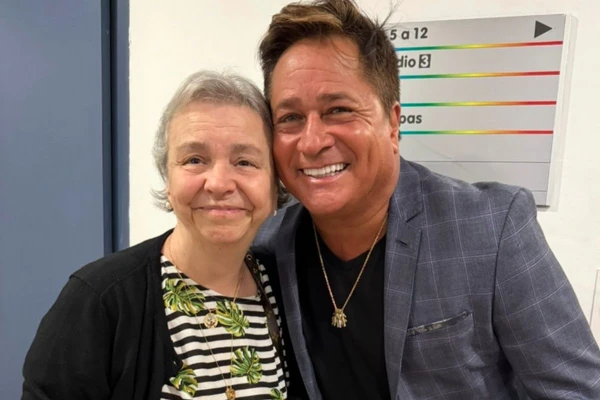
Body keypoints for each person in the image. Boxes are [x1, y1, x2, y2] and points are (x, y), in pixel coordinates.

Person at [253, 0, 600, 399]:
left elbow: (579, 391)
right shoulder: (267, 246)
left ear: (393, 122)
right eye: (290, 118)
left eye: (339, 110)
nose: (312, 142)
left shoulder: (491, 229)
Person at [22, 70, 296, 399]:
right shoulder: (99, 301)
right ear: (168, 179)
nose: (219, 184)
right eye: (195, 159)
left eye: (245, 162)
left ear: (275, 185)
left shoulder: (288, 288)